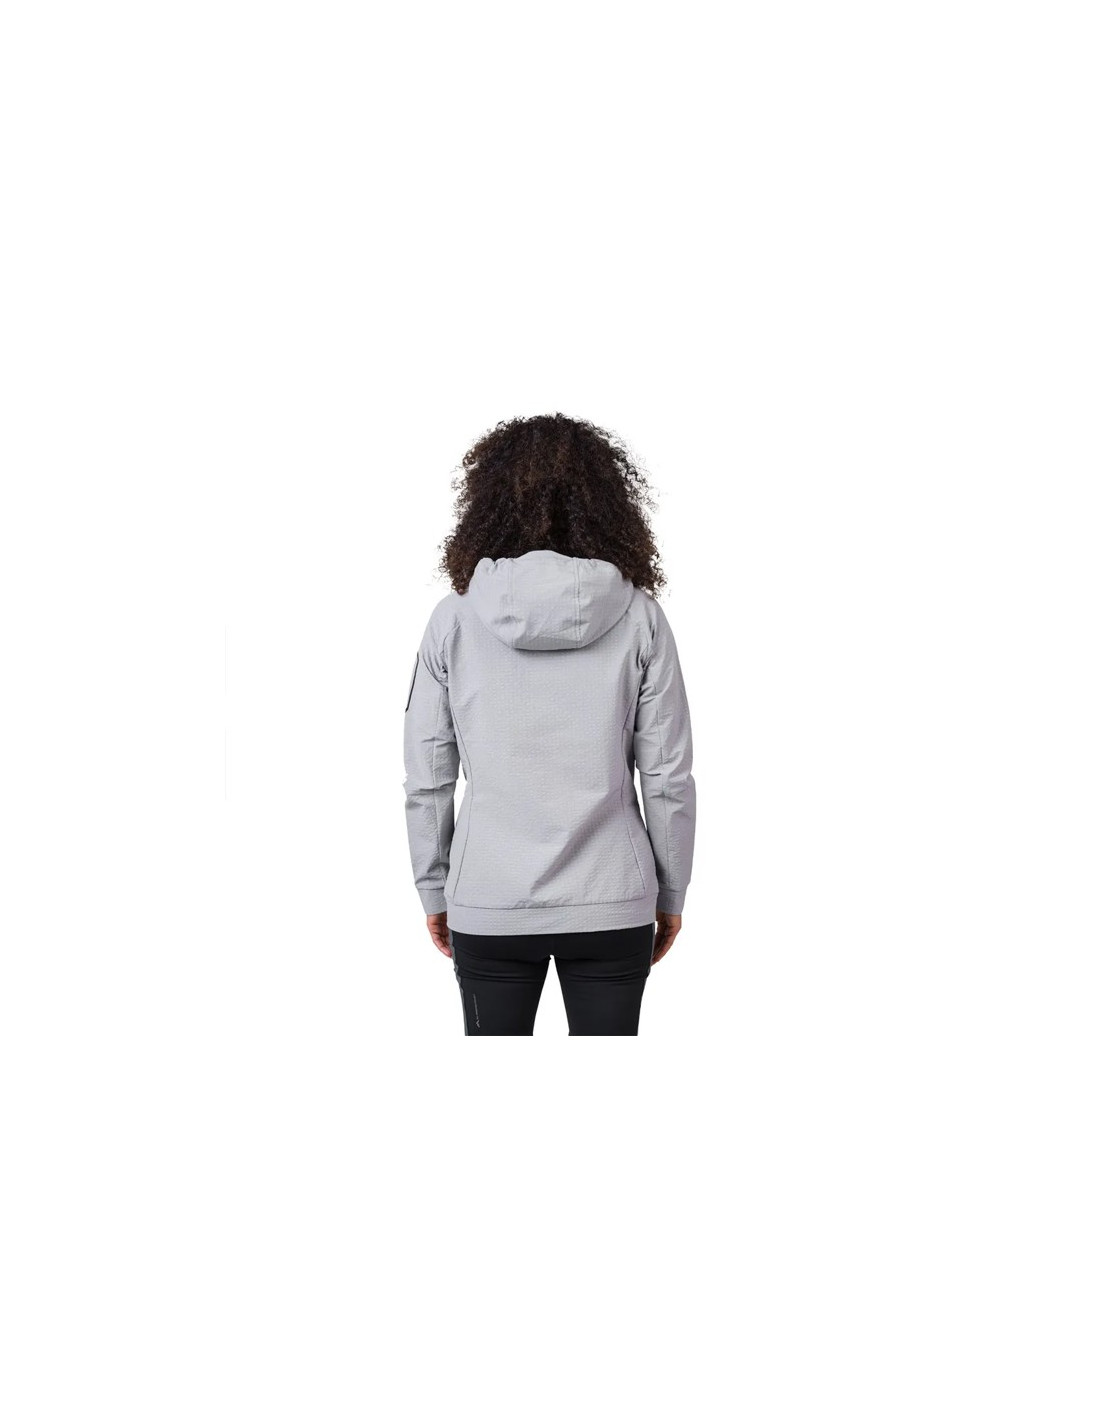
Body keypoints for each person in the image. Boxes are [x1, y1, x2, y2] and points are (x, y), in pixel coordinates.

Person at [402, 413, 696, 1035]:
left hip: (489, 899)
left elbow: (428, 776)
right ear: (608, 503)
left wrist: (435, 888)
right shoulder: (640, 618)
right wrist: (670, 893)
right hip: (613, 898)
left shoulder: (453, 621)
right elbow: (668, 776)